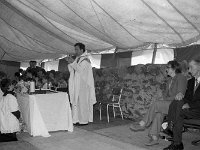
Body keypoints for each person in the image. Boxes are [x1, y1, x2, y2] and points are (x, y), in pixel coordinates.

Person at [129, 60, 188, 146]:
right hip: (168, 104)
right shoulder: (169, 80)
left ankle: (143, 123)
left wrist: (178, 94)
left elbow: (180, 94)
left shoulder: (181, 77)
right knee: (158, 114)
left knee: (156, 103)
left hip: (176, 105)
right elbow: (165, 95)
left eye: (168, 67)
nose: (166, 69)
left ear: (174, 68)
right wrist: (164, 99)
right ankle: (154, 138)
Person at [163, 58, 200, 150]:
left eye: (191, 67)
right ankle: (176, 142)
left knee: (178, 110)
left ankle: (171, 128)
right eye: (188, 68)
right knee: (177, 101)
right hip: (191, 109)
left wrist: (189, 105)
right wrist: (181, 96)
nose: (189, 70)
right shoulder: (191, 81)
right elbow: (187, 97)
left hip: (198, 109)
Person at [67, 43, 96, 125]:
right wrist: (70, 63)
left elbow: (80, 70)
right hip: (77, 84)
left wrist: (72, 62)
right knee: (76, 102)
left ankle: (84, 120)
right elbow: (72, 70)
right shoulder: (77, 59)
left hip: (83, 84)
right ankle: (76, 119)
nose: (75, 51)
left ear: (81, 50)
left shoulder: (85, 60)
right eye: (75, 49)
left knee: (83, 102)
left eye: (76, 49)